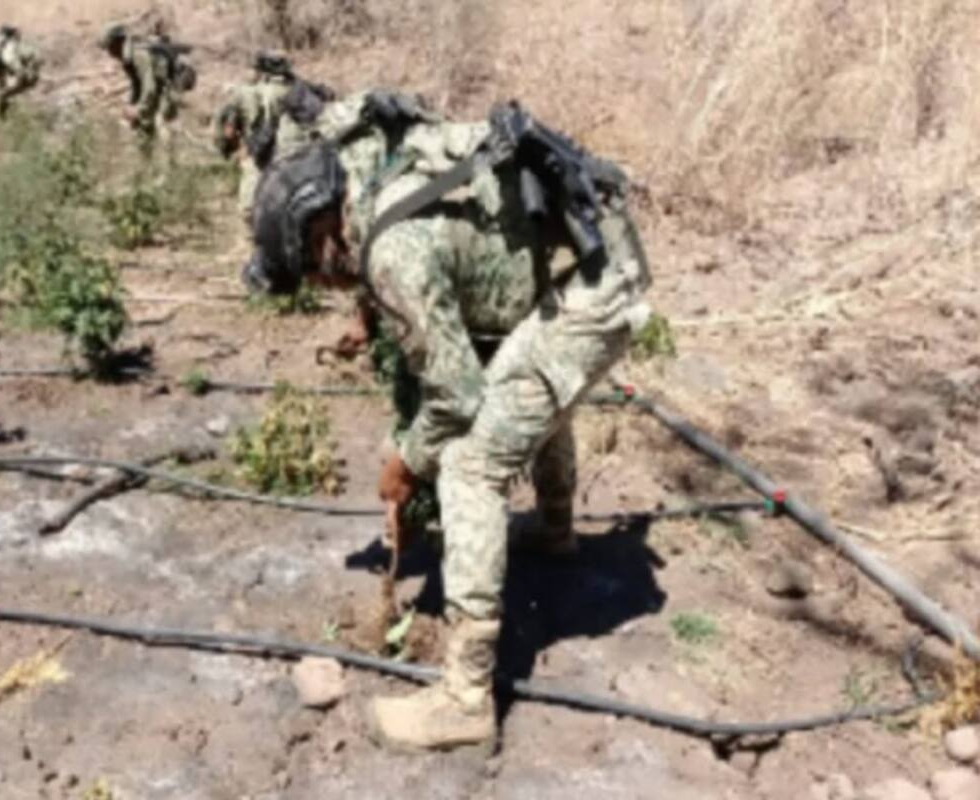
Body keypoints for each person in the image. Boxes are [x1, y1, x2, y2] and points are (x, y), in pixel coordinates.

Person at [243, 92, 652, 751]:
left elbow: (455, 395)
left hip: (599, 283)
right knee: (524, 386)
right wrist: (371, 312)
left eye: (313, 277)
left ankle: (465, 698)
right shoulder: (363, 163)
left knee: (469, 462)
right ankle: (555, 534)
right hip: (591, 247)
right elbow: (413, 246)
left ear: (322, 233)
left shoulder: (389, 253)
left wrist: (405, 461)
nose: (321, 289)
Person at [214, 52, 335, 224]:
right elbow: (327, 98)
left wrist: (233, 147)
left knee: (251, 206)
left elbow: (232, 129)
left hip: (265, 153)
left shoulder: (253, 92)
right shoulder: (300, 87)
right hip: (298, 154)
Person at [98, 24, 195, 141]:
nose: (110, 53)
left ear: (119, 42)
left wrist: (138, 110)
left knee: (162, 119)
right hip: (161, 84)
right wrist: (132, 105)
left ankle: (170, 155)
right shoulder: (128, 58)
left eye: (110, 47)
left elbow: (149, 87)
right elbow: (137, 85)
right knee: (143, 123)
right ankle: (147, 152)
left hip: (175, 80)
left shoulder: (139, 55)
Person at [0, 25, 40, 118]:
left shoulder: (8, 57)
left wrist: (9, 91)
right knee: (2, 87)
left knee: (26, 81)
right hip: (19, 58)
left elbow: (21, 74)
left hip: (32, 61)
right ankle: (3, 113)